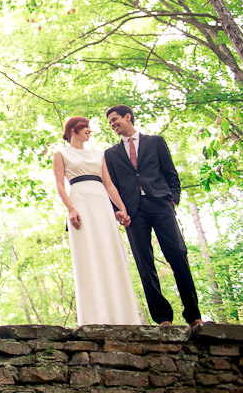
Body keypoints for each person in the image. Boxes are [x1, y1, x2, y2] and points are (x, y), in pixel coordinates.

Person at [103, 105, 203, 328]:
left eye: (114, 119)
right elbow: (112, 186)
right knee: (144, 263)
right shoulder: (110, 154)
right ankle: (162, 317)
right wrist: (117, 211)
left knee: (178, 254)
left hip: (161, 204)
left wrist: (172, 200)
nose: (112, 124)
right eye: (110, 122)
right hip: (133, 213)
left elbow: (171, 173)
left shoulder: (156, 142)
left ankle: (194, 315)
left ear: (128, 116)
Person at [53, 116, 141, 325]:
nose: (90, 131)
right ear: (75, 129)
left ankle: (123, 316)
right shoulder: (61, 154)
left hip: (101, 203)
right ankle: (95, 317)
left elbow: (109, 185)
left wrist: (122, 209)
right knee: (88, 254)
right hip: (80, 202)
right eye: (87, 128)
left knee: (110, 252)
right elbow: (59, 185)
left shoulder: (98, 154)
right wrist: (71, 209)